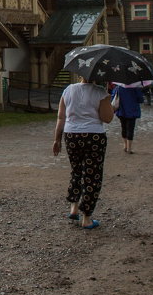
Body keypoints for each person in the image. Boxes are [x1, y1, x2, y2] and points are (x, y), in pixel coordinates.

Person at [51, 77, 114, 230]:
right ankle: (86, 217)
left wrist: (57, 139)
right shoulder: (100, 92)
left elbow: (61, 117)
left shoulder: (68, 90)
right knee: (92, 175)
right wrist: (110, 103)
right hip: (94, 136)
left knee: (76, 170)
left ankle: (74, 207)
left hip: (72, 134)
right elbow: (107, 118)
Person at [112, 82, 143, 154]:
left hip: (121, 111)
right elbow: (140, 99)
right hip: (132, 110)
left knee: (123, 127)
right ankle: (129, 148)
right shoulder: (135, 88)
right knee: (130, 129)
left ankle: (125, 145)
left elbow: (113, 97)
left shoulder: (118, 87)